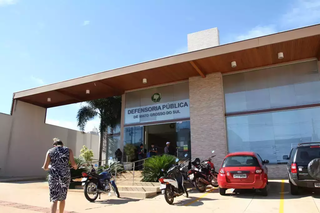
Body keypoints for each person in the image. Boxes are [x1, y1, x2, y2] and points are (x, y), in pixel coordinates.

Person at [42, 138, 77, 213]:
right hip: (65, 176)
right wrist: (75, 167)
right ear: (62, 144)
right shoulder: (68, 150)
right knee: (62, 198)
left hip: (54, 177)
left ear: (54, 145)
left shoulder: (50, 151)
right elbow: (73, 164)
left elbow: (45, 167)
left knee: (54, 199)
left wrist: (50, 167)